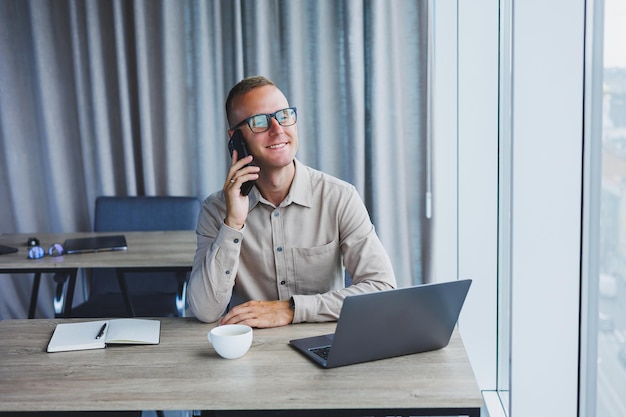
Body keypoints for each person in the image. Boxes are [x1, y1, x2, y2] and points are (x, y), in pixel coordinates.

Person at [187, 75, 396, 328]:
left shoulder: (339, 197)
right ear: (236, 139)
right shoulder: (216, 209)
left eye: (284, 116)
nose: (278, 130)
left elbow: (382, 289)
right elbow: (206, 311)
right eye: (260, 122)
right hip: (252, 351)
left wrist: (291, 309)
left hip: (325, 346)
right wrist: (233, 223)